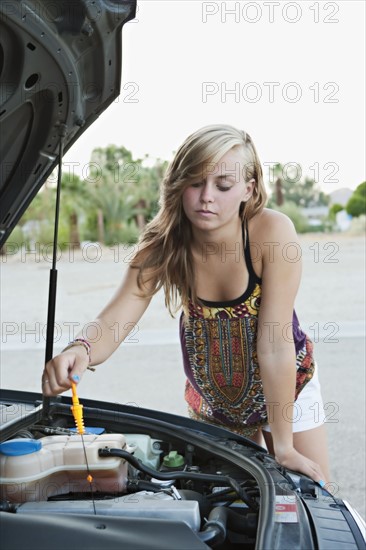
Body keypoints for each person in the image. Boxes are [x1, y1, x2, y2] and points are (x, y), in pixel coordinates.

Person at [43, 124, 330, 484]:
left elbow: (274, 344)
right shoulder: (162, 244)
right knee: (235, 507)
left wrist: (283, 447)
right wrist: (81, 349)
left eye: (223, 185)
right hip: (213, 403)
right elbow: (117, 316)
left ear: (248, 188)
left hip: (288, 390)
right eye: (195, 182)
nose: (207, 196)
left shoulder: (272, 233)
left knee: (312, 494)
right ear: (179, 185)